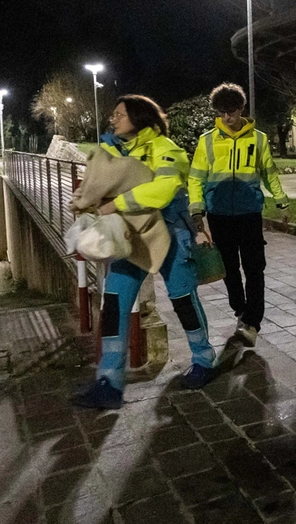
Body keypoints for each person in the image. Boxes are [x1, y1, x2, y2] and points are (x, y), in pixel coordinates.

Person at [72, 95, 216, 410]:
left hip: (171, 235)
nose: (114, 119)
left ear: (139, 118)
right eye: (113, 114)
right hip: (130, 238)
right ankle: (109, 381)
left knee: (182, 299)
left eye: (120, 114)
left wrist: (116, 203)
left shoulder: (167, 150)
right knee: (113, 304)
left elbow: (163, 191)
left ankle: (204, 360)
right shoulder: (115, 151)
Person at [188, 83, 289, 346]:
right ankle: (241, 311)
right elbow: (196, 178)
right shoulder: (207, 141)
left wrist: (282, 202)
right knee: (229, 269)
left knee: (255, 269)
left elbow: (269, 173)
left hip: (249, 214)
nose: (226, 118)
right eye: (221, 112)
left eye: (230, 112)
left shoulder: (259, 139)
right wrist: (197, 211)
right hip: (220, 215)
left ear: (241, 108)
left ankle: (253, 322)